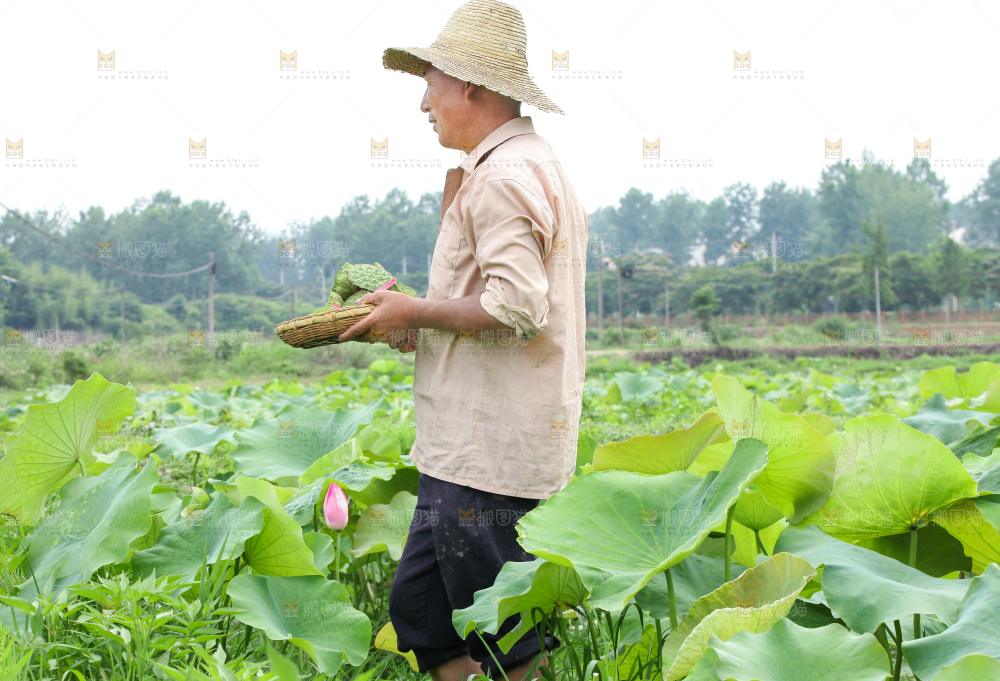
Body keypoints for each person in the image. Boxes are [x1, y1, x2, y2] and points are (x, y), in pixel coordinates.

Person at [338, 1, 587, 678]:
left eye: (430, 84)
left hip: (489, 452)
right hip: (465, 446)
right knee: (422, 613)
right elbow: (486, 299)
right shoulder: (516, 164)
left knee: (506, 630)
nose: (423, 103)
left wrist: (416, 307)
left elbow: (518, 303)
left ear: (470, 86)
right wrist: (410, 317)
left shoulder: (503, 177)